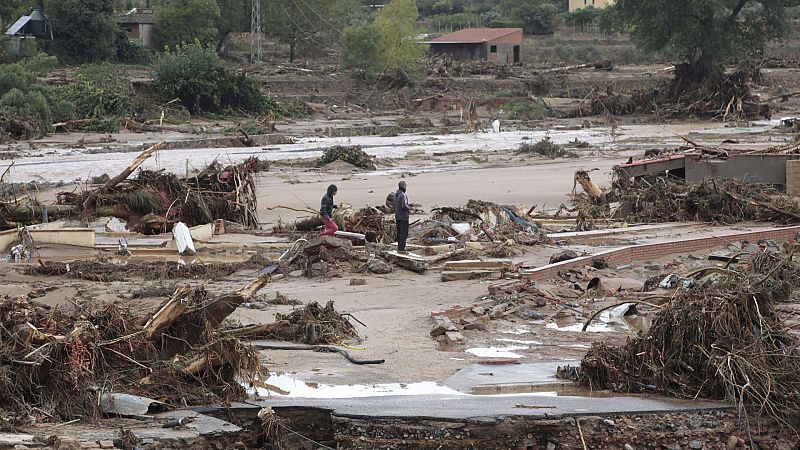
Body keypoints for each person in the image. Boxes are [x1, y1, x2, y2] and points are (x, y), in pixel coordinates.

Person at [394, 181, 410, 253]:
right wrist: (410, 208)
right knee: (404, 233)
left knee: (399, 232)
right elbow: (404, 205)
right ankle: (402, 249)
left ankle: (399, 247)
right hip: (403, 216)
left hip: (397, 216)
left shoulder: (396, 194)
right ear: (403, 186)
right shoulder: (403, 195)